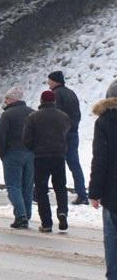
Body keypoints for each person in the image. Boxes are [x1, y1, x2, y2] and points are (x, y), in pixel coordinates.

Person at [23, 89, 72, 233]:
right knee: (60, 187)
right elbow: (68, 131)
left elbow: (26, 139)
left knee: (41, 189)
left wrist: (34, 148)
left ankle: (46, 223)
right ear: (54, 101)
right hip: (58, 156)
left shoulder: (33, 117)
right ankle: (62, 212)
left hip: (40, 157)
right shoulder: (63, 117)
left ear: (41, 101)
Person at [89, 81, 117, 280]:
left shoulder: (106, 121)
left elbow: (101, 159)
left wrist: (95, 192)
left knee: (112, 238)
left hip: (112, 191)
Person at [0, 85, 35, 228]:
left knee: (13, 186)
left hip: (12, 153)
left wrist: (3, 153)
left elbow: (0, 136)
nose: (4, 101)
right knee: (27, 186)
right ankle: (27, 214)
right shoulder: (32, 113)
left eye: (7, 98)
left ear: (12, 99)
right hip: (30, 154)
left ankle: (21, 215)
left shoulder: (7, 115)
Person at [48, 71, 89, 205]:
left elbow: (55, 115)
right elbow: (77, 114)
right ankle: (82, 193)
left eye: (50, 80)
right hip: (73, 132)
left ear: (55, 81)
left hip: (60, 134)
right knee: (74, 164)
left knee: (51, 162)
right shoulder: (71, 93)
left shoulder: (56, 95)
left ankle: (39, 192)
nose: (48, 83)